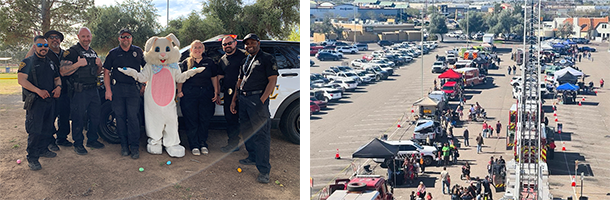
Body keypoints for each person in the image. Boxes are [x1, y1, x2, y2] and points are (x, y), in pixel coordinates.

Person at [229, 33, 278, 184]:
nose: (249, 46)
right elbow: (239, 81)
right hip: (243, 99)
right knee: (247, 131)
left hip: (257, 100)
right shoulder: (246, 60)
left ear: (258, 43)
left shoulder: (267, 58)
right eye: (246, 44)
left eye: (252, 43)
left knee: (261, 136)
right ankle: (252, 157)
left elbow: (272, 81)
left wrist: (262, 100)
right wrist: (234, 100)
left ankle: (264, 170)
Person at [18, 36, 62, 170]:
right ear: (34, 46)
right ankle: (32, 157)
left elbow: (57, 78)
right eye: (40, 45)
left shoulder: (50, 63)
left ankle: (43, 149)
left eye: (45, 46)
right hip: (36, 102)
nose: (43, 48)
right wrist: (38, 91)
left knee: (47, 128)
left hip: (49, 101)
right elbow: (21, 80)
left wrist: (59, 87)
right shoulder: (27, 62)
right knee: (35, 130)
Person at [60, 27, 105, 155]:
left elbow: (96, 73)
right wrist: (77, 64)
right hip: (79, 91)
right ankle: (78, 143)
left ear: (91, 37)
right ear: (78, 37)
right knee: (78, 118)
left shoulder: (93, 52)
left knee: (95, 117)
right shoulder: (72, 52)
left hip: (93, 90)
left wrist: (100, 66)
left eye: (88, 36)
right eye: (83, 36)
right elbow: (63, 71)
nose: (86, 39)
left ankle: (92, 140)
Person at [102, 29, 146, 159]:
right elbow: (106, 72)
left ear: (131, 38)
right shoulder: (113, 53)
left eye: (128, 37)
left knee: (133, 118)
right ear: (119, 39)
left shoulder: (138, 51)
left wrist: (143, 84)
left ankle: (134, 147)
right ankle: (124, 146)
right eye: (123, 37)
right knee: (120, 118)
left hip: (133, 89)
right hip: (118, 89)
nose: (125, 39)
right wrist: (108, 90)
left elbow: (147, 69)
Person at [27, 30, 72, 151]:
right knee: (50, 118)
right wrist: (35, 44)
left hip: (64, 90)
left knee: (64, 116)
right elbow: (27, 61)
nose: (55, 39)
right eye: (51, 37)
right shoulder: (44, 52)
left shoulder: (65, 53)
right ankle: (50, 141)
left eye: (57, 38)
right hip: (48, 91)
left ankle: (62, 138)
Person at [177, 40, 219, 156]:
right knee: (191, 120)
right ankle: (194, 145)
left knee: (204, 119)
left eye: (200, 47)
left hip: (206, 93)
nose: (197, 50)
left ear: (203, 49)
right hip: (190, 95)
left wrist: (216, 92)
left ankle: (203, 143)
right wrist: (179, 91)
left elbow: (214, 77)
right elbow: (180, 78)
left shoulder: (209, 62)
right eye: (195, 47)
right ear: (191, 50)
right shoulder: (186, 63)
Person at [217, 35, 247, 152]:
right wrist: (218, 93)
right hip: (229, 94)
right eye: (224, 44)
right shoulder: (222, 60)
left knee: (246, 120)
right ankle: (233, 144)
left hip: (244, 93)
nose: (227, 46)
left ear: (235, 43)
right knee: (230, 120)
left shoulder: (244, 55)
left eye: (229, 43)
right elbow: (220, 77)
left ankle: (252, 148)